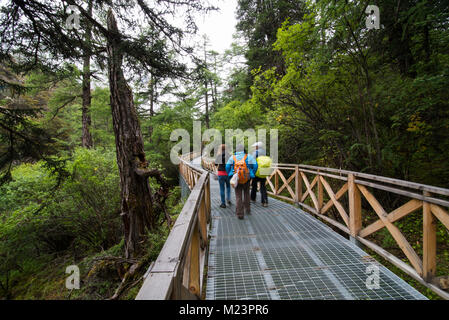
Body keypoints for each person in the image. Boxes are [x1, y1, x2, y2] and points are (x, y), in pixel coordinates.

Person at [226, 144, 257, 219]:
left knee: (238, 196)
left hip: (236, 178)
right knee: (246, 193)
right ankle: (248, 209)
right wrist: (252, 173)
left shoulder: (232, 157)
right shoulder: (248, 156)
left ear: (236, 150)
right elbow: (255, 165)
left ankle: (240, 214)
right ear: (243, 149)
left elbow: (227, 166)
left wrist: (230, 174)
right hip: (246, 177)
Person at [250, 142, 268, 207]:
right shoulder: (265, 152)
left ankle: (253, 198)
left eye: (255, 146)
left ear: (257, 147)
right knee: (263, 186)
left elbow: (252, 161)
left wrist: (251, 170)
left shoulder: (256, 152)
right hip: (264, 171)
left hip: (257, 171)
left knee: (254, 185)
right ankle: (265, 201)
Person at [215, 144, 231, 208]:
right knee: (228, 187)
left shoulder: (219, 155)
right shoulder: (229, 155)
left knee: (222, 188)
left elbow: (216, 164)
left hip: (221, 173)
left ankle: (223, 203)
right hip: (228, 173)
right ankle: (228, 198)